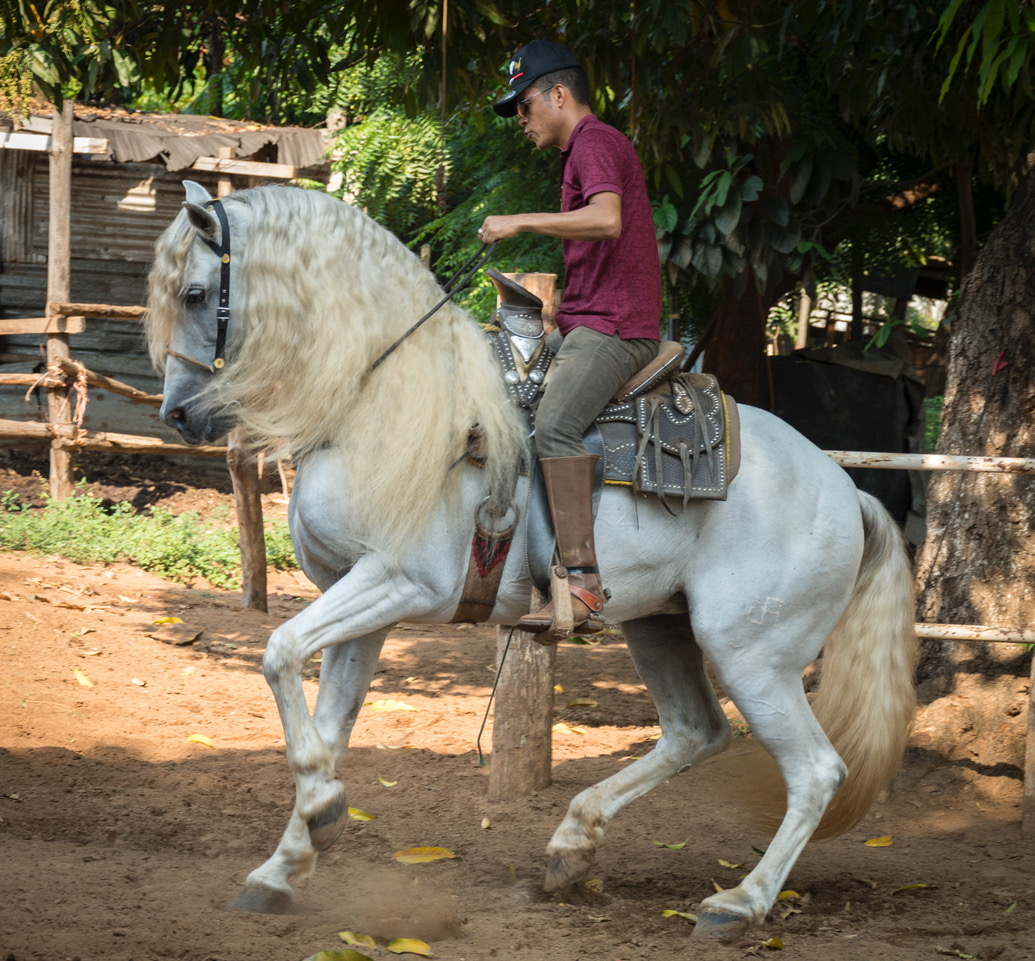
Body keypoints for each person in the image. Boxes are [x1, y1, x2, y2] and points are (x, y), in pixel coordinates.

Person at [479, 39, 662, 635]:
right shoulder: (578, 153)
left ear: (559, 94)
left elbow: (608, 219)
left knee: (554, 424)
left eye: (525, 106)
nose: (522, 121)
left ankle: (581, 582)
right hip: (589, 321)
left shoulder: (597, 142)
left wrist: (519, 220)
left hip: (617, 327)